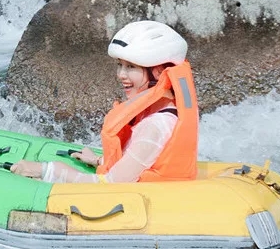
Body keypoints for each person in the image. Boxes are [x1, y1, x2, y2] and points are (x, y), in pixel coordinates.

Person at [10, 20, 198, 183]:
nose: (121, 74)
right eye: (120, 65)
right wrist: (99, 161)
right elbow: (141, 163)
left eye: (131, 67)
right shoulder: (157, 110)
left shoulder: (155, 126)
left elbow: (110, 185)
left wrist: (47, 170)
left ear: (159, 72)